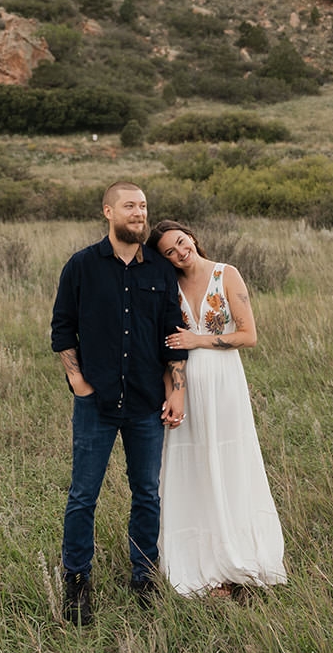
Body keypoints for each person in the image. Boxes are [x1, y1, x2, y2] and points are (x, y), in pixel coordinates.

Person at [51, 182, 188, 626]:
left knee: (146, 494)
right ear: (108, 211)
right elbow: (62, 327)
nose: (139, 213)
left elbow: (173, 334)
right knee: (83, 496)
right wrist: (78, 381)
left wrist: (176, 387)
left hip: (147, 403)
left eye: (144, 206)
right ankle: (76, 583)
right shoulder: (82, 266)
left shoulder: (160, 272)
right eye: (130, 206)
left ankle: (144, 579)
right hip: (96, 404)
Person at [148, 218, 286, 597]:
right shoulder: (167, 285)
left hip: (224, 384)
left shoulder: (226, 274)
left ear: (191, 236)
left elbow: (248, 335)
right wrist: (171, 390)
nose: (179, 252)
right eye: (169, 252)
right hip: (184, 388)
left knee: (228, 462)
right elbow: (165, 346)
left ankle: (237, 554)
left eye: (181, 242)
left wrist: (199, 340)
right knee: (189, 466)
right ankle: (198, 560)